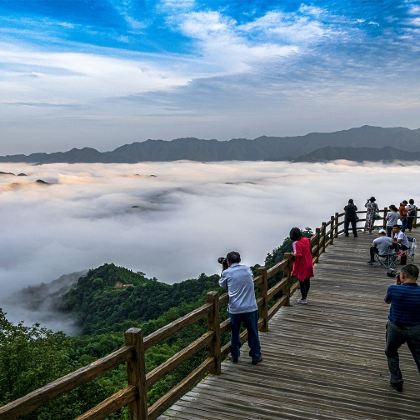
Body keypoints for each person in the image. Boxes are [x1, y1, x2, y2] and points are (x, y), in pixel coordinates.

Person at [219, 251, 262, 365]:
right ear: (239, 260)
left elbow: (222, 285)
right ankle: (256, 356)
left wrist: (224, 268)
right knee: (253, 332)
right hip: (250, 307)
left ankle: (235, 356)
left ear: (228, 261)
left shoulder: (227, 272)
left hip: (235, 309)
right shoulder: (247, 269)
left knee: (235, 333)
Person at [384, 264, 420, 392]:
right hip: (416, 328)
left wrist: (398, 285)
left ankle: (396, 381)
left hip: (396, 327)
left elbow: (387, 301)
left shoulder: (393, 289)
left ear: (403, 276)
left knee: (391, 352)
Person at [290, 227, 314, 304]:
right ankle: (305, 297)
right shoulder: (306, 239)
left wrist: (293, 255)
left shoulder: (296, 243)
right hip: (309, 263)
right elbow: (309, 250)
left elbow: (298, 256)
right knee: (307, 281)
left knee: (302, 282)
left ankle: (304, 299)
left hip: (302, 265)